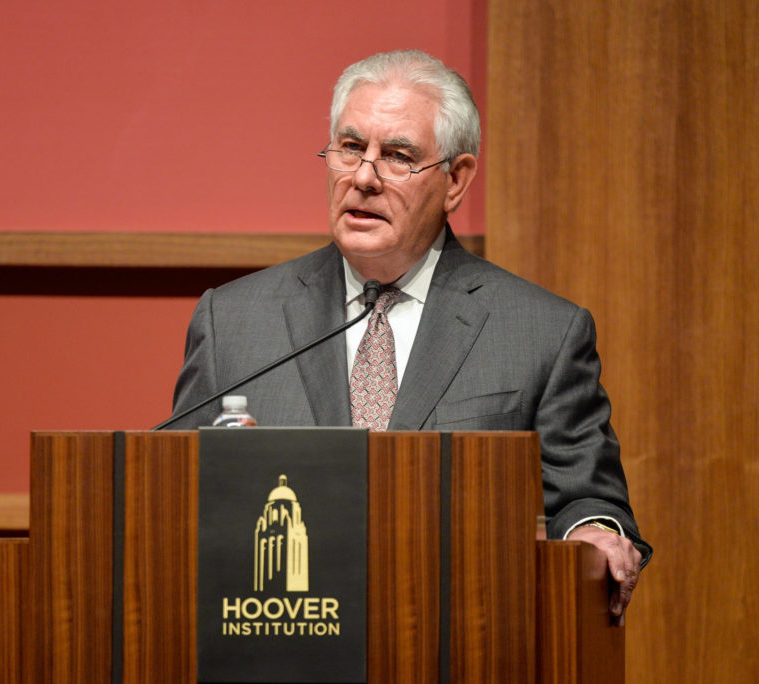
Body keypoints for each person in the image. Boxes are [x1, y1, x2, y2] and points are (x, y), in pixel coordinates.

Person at [167, 49, 651, 619]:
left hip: (458, 638)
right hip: (277, 640)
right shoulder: (234, 322)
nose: (364, 178)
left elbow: (586, 496)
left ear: (456, 180)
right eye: (350, 148)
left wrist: (594, 531)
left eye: (397, 156)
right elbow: (176, 497)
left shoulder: (543, 332)